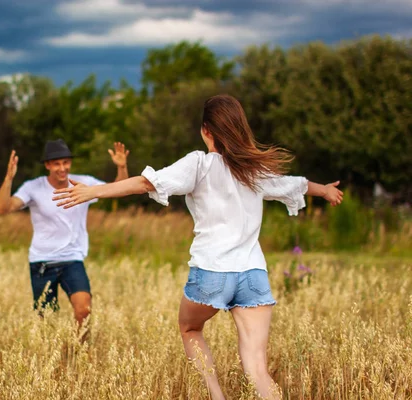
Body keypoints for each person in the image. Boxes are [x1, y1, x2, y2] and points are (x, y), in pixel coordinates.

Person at [51, 95, 343, 399]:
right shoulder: (253, 169)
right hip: (253, 274)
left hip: (213, 271)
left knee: (190, 328)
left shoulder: (199, 165)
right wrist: (325, 191)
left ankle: (217, 396)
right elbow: (294, 185)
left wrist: (93, 191)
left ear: (207, 131)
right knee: (257, 368)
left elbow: (145, 183)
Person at [0, 139, 130, 328]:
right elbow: (3, 208)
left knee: (84, 310)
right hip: (42, 261)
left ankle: (77, 353)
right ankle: (52, 355)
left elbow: (119, 190)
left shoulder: (84, 183)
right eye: (57, 163)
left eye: (66, 162)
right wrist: (9, 178)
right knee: (47, 322)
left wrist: (122, 168)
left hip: (72, 259)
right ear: (48, 165)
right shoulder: (33, 187)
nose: (62, 168)